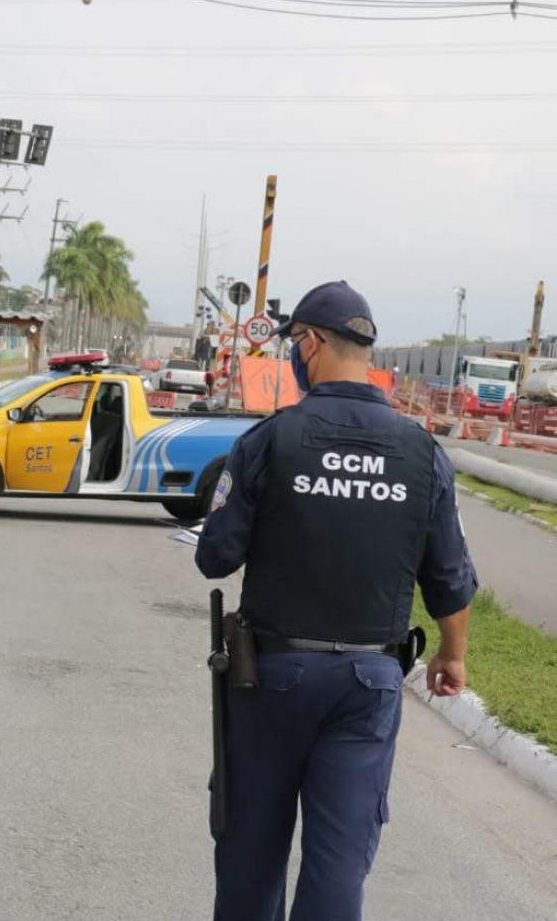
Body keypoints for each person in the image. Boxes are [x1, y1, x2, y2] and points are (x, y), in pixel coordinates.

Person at [195, 281, 477, 921]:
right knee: (339, 865)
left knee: (249, 854)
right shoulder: (421, 452)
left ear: (310, 343)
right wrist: (453, 656)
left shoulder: (270, 441)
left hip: (269, 680)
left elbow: (216, 555)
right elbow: (450, 574)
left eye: (294, 342)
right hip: (368, 685)